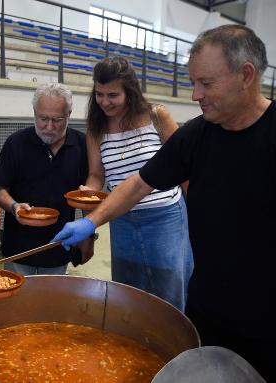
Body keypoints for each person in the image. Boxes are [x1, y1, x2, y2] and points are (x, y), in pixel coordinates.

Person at [52, 25, 276, 381]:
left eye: (206, 84)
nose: (195, 95)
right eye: (193, 83)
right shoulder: (198, 134)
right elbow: (139, 183)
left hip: (270, 313)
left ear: (246, 74)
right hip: (210, 305)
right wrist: (90, 222)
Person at [80, 56, 193, 311]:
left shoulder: (156, 116)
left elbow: (184, 167)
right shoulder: (96, 128)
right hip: (122, 219)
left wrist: (198, 211)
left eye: (113, 95)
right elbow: (97, 175)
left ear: (129, 92)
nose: (105, 102)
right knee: (128, 289)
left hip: (164, 218)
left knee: (168, 289)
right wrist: (88, 195)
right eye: (99, 94)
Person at [0, 83, 91, 276]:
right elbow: (0, 190)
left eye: (57, 120)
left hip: (59, 246)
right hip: (18, 247)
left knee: (50, 303)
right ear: (35, 112)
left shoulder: (82, 145)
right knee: (16, 302)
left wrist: (89, 235)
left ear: (69, 114)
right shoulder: (16, 143)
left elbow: (87, 196)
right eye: (43, 118)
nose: (49, 127)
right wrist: (14, 206)